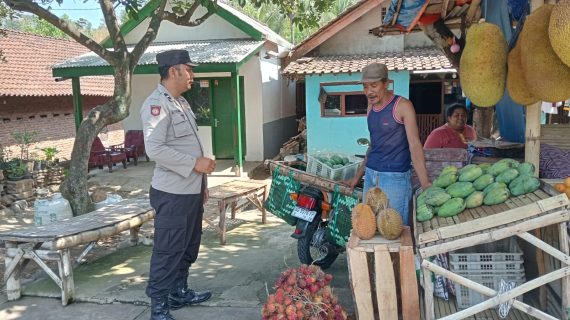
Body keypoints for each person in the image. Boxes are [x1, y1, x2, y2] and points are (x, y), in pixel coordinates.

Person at [141, 49, 216, 320]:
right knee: (168, 248)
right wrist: (195, 164)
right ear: (174, 71)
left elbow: (188, 145)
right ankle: (159, 306)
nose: (192, 76)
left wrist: (202, 182)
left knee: (188, 245)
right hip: (172, 193)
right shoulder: (156, 105)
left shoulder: (181, 103)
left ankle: (178, 291)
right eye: (189, 69)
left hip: (190, 191)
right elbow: (155, 149)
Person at [347, 62, 431, 226]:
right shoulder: (370, 107)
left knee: (394, 229)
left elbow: (414, 145)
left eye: (374, 85)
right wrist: (356, 178)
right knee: (370, 227)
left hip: (395, 178)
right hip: (371, 175)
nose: (369, 92)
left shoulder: (403, 106)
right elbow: (373, 145)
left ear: (386, 83)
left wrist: (425, 183)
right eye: (365, 87)